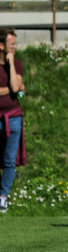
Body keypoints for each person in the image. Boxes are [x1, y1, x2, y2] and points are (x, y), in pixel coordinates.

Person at [0, 28, 25, 213]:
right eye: (12, 44)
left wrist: (10, 64)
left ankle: (3, 197)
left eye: (16, 43)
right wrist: (13, 88)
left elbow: (16, 88)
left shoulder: (16, 64)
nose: (15, 47)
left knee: (9, 159)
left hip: (14, 118)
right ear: (1, 46)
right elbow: (15, 88)